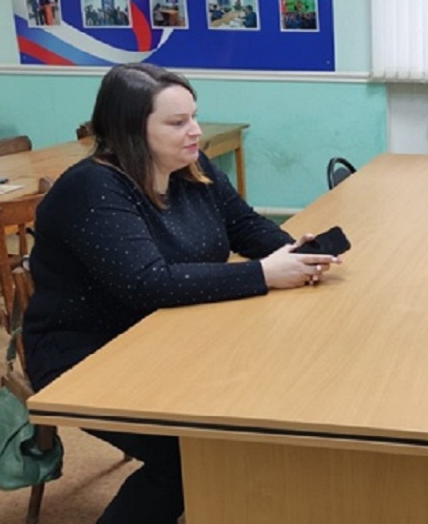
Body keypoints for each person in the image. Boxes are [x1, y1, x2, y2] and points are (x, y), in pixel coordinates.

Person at [22, 63, 341, 523]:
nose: (195, 131)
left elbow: (244, 225)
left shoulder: (191, 167)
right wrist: (264, 274)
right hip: (86, 352)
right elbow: (147, 282)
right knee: (188, 457)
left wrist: (295, 253)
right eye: (177, 122)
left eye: (193, 116)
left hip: (172, 333)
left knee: (259, 411)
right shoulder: (92, 187)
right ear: (131, 130)